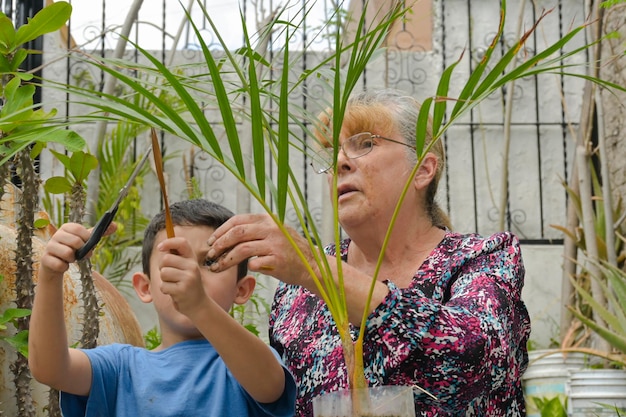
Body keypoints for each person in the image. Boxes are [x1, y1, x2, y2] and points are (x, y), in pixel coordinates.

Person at [205, 88, 531, 416]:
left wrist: (315, 270)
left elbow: (470, 362)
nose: (341, 162)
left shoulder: (483, 258)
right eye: (333, 151)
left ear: (422, 169)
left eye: (365, 144)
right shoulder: (296, 291)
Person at [28, 199, 296, 417]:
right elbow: (49, 368)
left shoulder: (246, 364)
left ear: (242, 289)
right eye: (174, 264)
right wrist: (51, 275)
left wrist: (199, 306)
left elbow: (270, 386)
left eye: (210, 263)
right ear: (145, 287)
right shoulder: (120, 368)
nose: (190, 274)